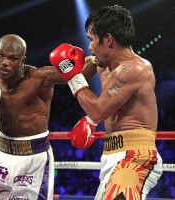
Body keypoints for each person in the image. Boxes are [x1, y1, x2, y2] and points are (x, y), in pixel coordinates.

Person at [50, 5, 163, 200]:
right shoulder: (102, 63)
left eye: (92, 40)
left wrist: (72, 76)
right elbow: (62, 75)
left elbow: (97, 110)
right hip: (112, 153)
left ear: (108, 39)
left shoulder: (136, 68)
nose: (90, 47)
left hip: (136, 156)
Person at [0, 34, 73, 200]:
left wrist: (93, 59)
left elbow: (79, 71)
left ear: (22, 60)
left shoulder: (39, 78)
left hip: (34, 158)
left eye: (12, 58)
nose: (4, 62)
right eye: (0, 56)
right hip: (1, 153)